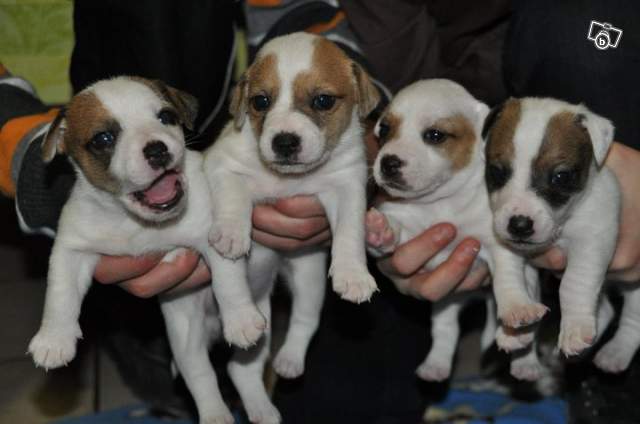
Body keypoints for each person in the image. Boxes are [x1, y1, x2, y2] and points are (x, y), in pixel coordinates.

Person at [2, 0, 639, 422]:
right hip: (383, 92)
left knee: (592, 31)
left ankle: (611, 365)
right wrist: (52, 169)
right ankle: (150, 340)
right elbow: (297, 15)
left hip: (566, 54)